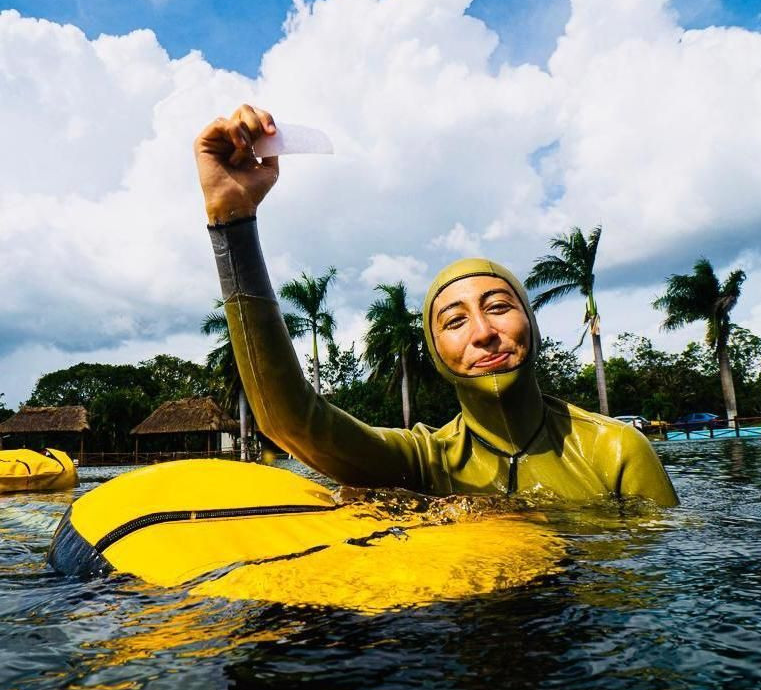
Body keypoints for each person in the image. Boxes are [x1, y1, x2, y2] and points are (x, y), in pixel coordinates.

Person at [195, 105, 677, 506]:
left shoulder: (616, 452)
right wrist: (232, 221)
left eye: (499, 306)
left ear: (530, 323)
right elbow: (292, 422)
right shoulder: (425, 462)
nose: (483, 331)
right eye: (455, 320)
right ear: (435, 349)